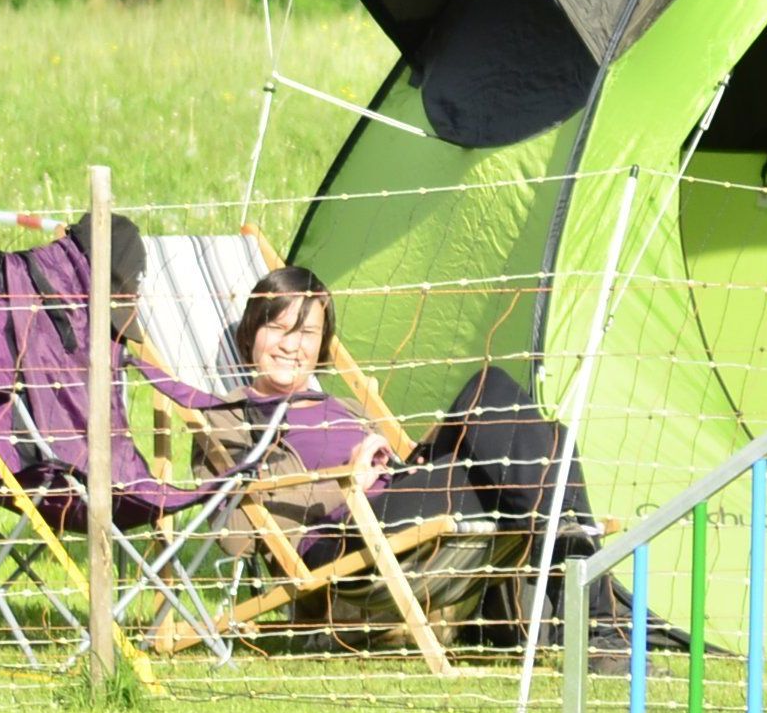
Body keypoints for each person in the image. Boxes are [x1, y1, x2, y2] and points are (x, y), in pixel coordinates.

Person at [197, 264, 608, 629]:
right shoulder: (226, 420)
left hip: (401, 499)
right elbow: (234, 536)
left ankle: (577, 564)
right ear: (250, 332)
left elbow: (404, 467)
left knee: (504, 400)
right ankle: (600, 605)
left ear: (322, 344)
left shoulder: (345, 406)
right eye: (277, 328)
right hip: (344, 538)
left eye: (307, 332)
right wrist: (345, 480)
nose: (291, 345)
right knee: (530, 455)